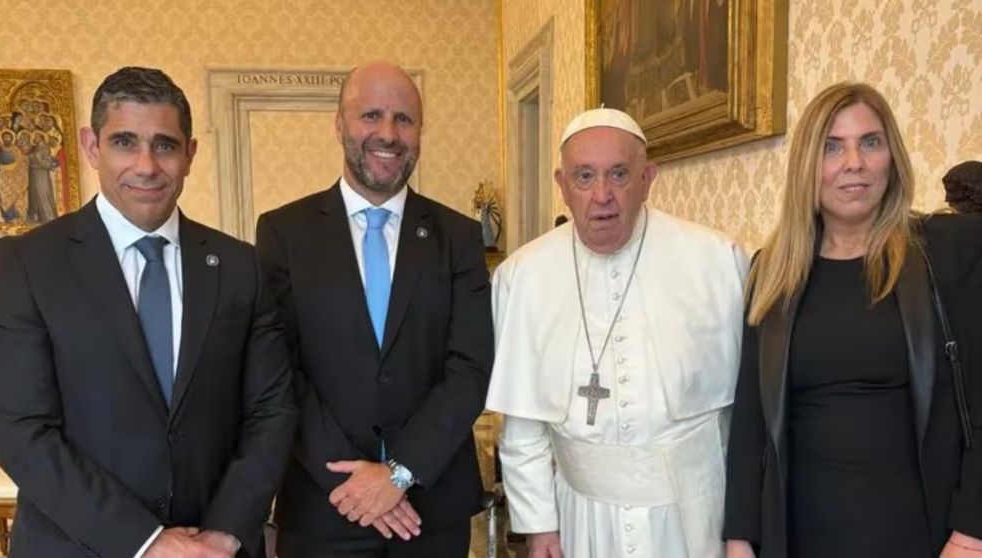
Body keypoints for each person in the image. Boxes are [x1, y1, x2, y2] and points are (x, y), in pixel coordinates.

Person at [0, 66, 298, 558]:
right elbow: (21, 430)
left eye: (165, 145)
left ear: (190, 154)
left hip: (215, 548)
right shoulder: (25, 264)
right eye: (124, 142)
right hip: (77, 547)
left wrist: (225, 532)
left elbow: (272, 410)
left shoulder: (240, 265)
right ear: (92, 147)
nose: (146, 165)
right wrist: (146, 542)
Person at [724, 82, 982, 558]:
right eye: (831, 147)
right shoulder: (773, 269)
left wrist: (970, 535)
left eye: (870, 142)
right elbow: (751, 420)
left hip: (921, 535)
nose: (854, 164)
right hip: (801, 535)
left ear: (892, 156)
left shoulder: (945, 252)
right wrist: (740, 540)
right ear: (807, 165)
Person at [255, 61, 494, 557]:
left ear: (420, 131)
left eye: (404, 119)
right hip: (326, 504)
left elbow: (470, 366)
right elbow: (279, 370)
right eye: (370, 115)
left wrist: (400, 474)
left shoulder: (459, 238)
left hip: (430, 509)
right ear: (339, 124)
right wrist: (359, 484)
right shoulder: (283, 233)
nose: (388, 133)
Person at [486, 107, 748, 558]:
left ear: (647, 179)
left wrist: (742, 528)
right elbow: (523, 427)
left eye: (619, 175)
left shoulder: (718, 260)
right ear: (561, 184)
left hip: (697, 517)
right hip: (580, 519)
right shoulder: (521, 277)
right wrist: (539, 526)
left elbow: (743, 421)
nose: (602, 195)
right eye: (584, 177)